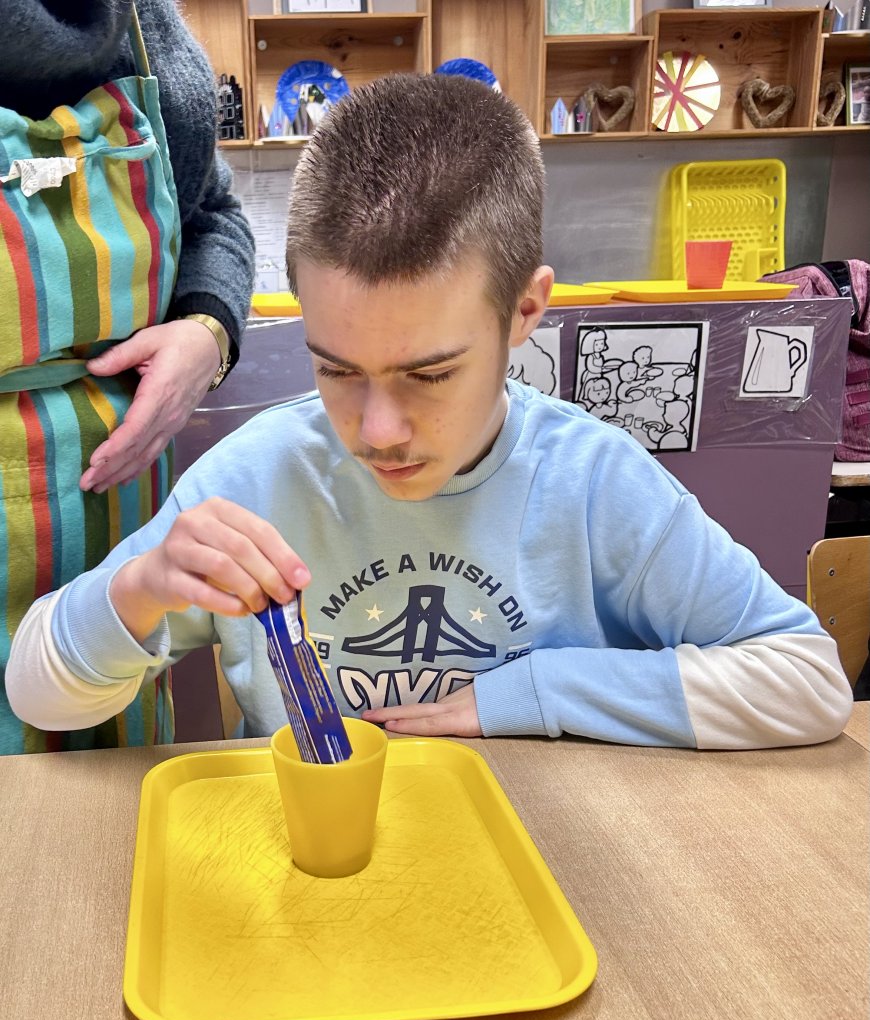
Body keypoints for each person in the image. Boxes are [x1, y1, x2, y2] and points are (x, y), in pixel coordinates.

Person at [6, 73, 852, 750]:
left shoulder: (594, 480)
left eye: (430, 374)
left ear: (525, 312)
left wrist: (533, 692)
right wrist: (139, 591)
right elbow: (37, 692)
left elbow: (808, 680)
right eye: (335, 367)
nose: (377, 431)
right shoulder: (255, 478)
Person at [0, 0, 255, 753]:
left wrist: (210, 329)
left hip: (109, 530)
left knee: (99, 808)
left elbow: (215, 215)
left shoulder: (153, 34)